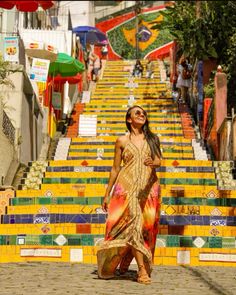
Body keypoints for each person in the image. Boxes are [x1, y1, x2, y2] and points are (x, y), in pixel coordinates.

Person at [97, 106, 162, 285]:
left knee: (145, 228)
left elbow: (159, 160)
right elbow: (115, 169)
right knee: (134, 222)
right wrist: (107, 194)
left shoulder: (152, 139)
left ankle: (126, 259)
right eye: (137, 113)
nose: (142, 115)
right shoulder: (122, 141)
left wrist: (153, 163)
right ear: (129, 119)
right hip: (126, 190)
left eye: (144, 113)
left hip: (149, 190)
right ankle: (141, 271)